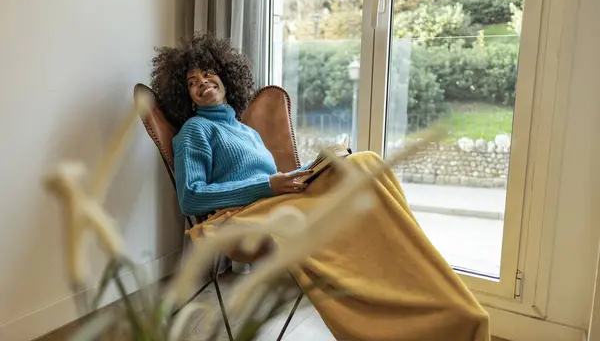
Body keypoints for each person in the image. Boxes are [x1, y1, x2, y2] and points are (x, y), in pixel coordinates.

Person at [151, 33, 490, 341]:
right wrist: (271, 184)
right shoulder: (195, 132)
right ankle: (403, 319)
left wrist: (314, 168)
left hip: (276, 202)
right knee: (363, 165)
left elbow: (274, 182)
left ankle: (429, 300)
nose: (202, 82)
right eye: (192, 82)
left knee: (365, 163)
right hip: (243, 217)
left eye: (207, 73)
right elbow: (191, 198)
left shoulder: (246, 132)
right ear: (187, 97)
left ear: (224, 76)